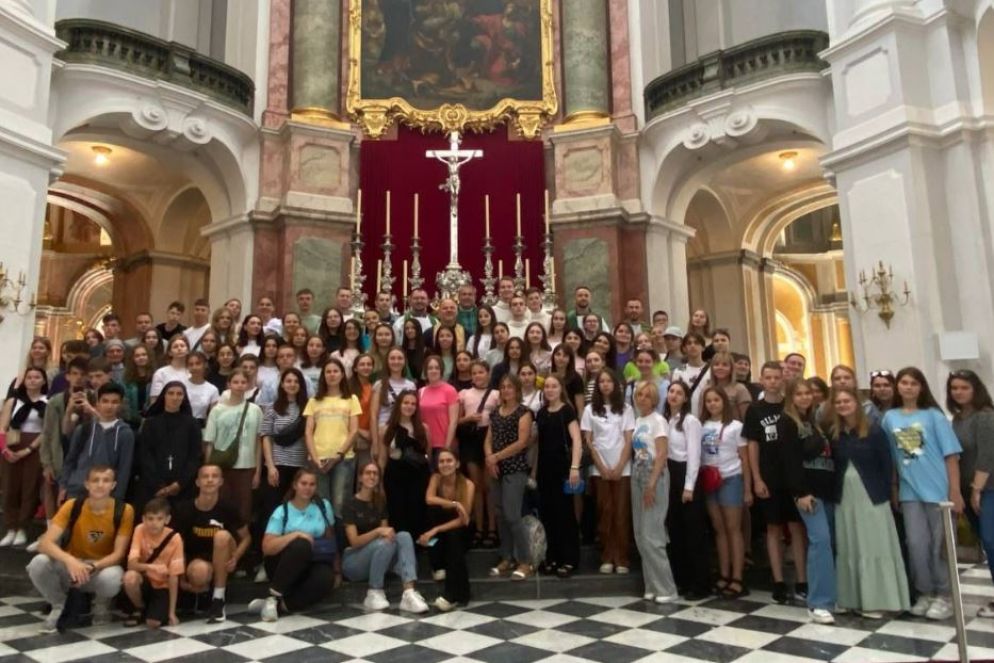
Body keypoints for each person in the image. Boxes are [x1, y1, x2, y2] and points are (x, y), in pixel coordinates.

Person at [882, 367, 963, 621]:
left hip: (938, 491)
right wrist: (894, 487)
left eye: (914, 383)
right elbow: (890, 458)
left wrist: (955, 491)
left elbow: (951, 456)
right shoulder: (890, 418)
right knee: (916, 544)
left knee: (940, 546)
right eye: (904, 382)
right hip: (909, 491)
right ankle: (925, 591)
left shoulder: (934, 416)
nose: (908, 387)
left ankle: (944, 594)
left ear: (921, 387)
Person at [831, 387, 910, 618]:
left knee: (873, 545)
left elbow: (887, 464)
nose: (843, 405)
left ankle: (878, 600)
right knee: (849, 545)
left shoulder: (874, 431)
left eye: (847, 400)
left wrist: (890, 491)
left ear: (857, 402)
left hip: (872, 494)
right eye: (838, 402)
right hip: (844, 496)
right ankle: (851, 598)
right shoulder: (836, 433)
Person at [28, 465, 135, 632]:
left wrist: (93, 567)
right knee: (38, 563)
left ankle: (101, 603)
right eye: (95, 480)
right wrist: (71, 561)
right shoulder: (72, 505)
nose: (100, 485)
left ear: (113, 485)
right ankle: (59, 604)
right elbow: (45, 543)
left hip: (99, 567)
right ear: (87, 484)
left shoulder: (124, 510)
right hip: (72, 566)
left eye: (106, 480)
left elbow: (119, 553)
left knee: (113, 578)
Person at [342, 462, 429, 613]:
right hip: (354, 561)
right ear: (360, 477)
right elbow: (354, 541)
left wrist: (383, 533)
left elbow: (387, 535)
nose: (372, 476)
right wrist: (377, 531)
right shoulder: (350, 504)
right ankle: (374, 591)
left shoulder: (380, 502)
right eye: (368, 472)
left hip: (377, 555)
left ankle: (409, 592)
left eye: (375, 473)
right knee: (383, 542)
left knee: (403, 536)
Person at [781, 379, 834, 624]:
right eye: (799, 394)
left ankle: (831, 596)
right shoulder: (787, 422)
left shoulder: (813, 421)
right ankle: (818, 601)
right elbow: (789, 461)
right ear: (791, 397)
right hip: (807, 492)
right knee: (819, 540)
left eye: (808, 394)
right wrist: (799, 492)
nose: (804, 398)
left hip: (826, 487)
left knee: (827, 541)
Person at [172, 464, 251, 623]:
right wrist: (181, 579)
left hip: (226, 557)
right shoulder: (184, 509)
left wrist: (236, 557)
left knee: (221, 536)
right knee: (199, 572)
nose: (210, 480)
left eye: (214, 476)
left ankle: (218, 599)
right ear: (197, 482)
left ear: (221, 481)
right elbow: (176, 545)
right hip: (198, 560)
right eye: (205, 476)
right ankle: (201, 593)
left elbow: (247, 538)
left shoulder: (228, 507)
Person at [254, 469, 335, 621]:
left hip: (313, 561)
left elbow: (331, 539)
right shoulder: (282, 511)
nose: (308, 488)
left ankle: (281, 606)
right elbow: (267, 547)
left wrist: (337, 570)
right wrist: (295, 535)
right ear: (295, 485)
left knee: (326, 578)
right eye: (303, 483)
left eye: (312, 484)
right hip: (282, 564)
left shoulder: (323, 507)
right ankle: (273, 597)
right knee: (301, 544)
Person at [948, 370, 994, 616]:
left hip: (988, 488)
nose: (958, 392)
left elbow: (988, 455)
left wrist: (977, 490)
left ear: (975, 389)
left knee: (991, 540)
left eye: (964, 387)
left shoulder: (985, 416)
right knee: (988, 544)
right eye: (954, 388)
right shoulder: (957, 419)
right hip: (968, 490)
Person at [699, 387, 750, 599]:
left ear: (724, 402)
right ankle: (724, 572)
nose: (712, 404)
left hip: (731, 478)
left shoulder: (736, 426)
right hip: (710, 481)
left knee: (733, 529)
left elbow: (745, 458)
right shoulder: (701, 425)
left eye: (716, 400)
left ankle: (737, 577)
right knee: (719, 529)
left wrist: (748, 488)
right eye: (708, 401)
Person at [582, 369, 634, 575]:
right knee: (605, 512)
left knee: (621, 514)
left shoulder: (626, 409)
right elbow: (589, 441)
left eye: (608, 381)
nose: (604, 384)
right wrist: (602, 467)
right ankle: (607, 556)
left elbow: (628, 439)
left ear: (616, 385)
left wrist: (620, 465)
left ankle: (622, 557)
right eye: (601, 381)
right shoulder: (589, 410)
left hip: (623, 468)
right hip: (599, 469)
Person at [630, 381, 677, 603]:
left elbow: (661, 454)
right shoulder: (638, 420)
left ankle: (667, 588)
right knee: (640, 534)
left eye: (647, 396)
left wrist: (651, 484)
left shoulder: (659, 421)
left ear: (654, 399)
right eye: (639, 395)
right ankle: (651, 584)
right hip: (637, 474)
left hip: (654, 476)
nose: (642, 399)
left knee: (652, 534)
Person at [486, 374, 535, 580]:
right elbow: (488, 438)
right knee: (500, 514)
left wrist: (496, 456)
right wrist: (489, 458)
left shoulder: (524, 412)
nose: (506, 390)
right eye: (503, 387)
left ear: (517, 389)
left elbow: (522, 442)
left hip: (515, 468)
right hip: (495, 468)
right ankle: (506, 557)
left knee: (513, 515)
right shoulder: (495, 412)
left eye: (510, 387)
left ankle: (526, 561)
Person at [663, 381, 709, 599]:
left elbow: (694, 455)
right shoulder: (666, 420)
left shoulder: (690, 421)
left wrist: (689, 487)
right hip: (670, 474)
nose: (673, 395)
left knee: (694, 533)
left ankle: (700, 583)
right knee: (676, 531)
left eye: (679, 393)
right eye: (671, 391)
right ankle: (681, 579)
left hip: (686, 476)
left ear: (685, 399)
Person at [534, 375, 581, 576]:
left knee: (564, 514)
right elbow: (537, 444)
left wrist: (575, 467)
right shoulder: (542, 413)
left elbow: (577, 440)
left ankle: (569, 559)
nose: (550, 390)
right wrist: (534, 472)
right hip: (545, 469)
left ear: (561, 389)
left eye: (554, 386)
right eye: (547, 387)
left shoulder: (567, 411)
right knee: (548, 514)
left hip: (563, 468)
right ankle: (552, 556)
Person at [203, 370, 264, 525]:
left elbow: (258, 442)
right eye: (235, 382)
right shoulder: (217, 410)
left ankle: (241, 545)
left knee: (244, 510)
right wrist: (208, 469)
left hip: (246, 466)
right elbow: (209, 442)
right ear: (229, 384)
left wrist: (258, 471)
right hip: (221, 466)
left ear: (248, 385)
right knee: (221, 507)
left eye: (243, 382)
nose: (239, 386)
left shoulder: (255, 410)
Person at [304, 357, 362, 516]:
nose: (332, 375)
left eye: (335, 371)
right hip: (319, 459)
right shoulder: (314, 401)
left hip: (343, 459)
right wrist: (315, 458)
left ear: (342, 375)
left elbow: (354, 430)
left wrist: (338, 455)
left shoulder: (351, 399)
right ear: (323, 376)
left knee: (340, 503)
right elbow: (308, 431)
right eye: (328, 372)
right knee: (322, 503)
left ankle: (341, 540)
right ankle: (325, 539)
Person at [421, 447, 475, 611]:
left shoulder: (468, 484)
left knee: (453, 539)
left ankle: (451, 594)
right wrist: (453, 504)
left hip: (460, 531)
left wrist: (436, 530)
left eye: (449, 460)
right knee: (432, 517)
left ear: (457, 464)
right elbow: (429, 499)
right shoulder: (436, 478)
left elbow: (463, 520)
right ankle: (440, 568)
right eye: (441, 461)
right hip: (441, 534)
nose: (445, 464)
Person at [60, 382, 134, 502]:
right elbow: (70, 459)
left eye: (114, 402)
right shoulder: (84, 429)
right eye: (105, 401)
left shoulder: (125, 433)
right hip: (76, 490)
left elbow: (124, 469)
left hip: (105, 494)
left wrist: (117, 498)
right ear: (97, 403)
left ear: (120, 405)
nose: (109, 406)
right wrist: (63, 486)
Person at [0, 366, 48, 547]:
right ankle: (10, 527)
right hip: (12, 445)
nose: (33, 380)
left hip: (34, 448)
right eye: (29, 377)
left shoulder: (47, 402)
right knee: (9, 487)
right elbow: (2, 427)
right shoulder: (13, 402)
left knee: (29, 488)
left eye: (37, 377)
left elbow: (46, 430)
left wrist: (28, 449)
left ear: (43, 381)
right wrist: (5, 450)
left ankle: (22, 527)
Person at [123, 497, 184, 628]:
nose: (154, 523)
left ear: (167, 520)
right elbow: (131, 565)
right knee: (129, 577)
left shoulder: (175, 538)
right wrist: (151, 567)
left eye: (159, 519)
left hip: (162, 586)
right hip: (144, 580)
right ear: (144, 519)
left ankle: (152, 611)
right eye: (150, 519)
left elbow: (174, 577)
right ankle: (139, 607)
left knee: (153, 623)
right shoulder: (139, 529)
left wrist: (171, 613)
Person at [138, 382, 202, 508]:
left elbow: (195, 456)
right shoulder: (150, 424)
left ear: (184, 398)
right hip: (154, 487)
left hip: (184, 488)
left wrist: (179, 484)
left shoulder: (192, 424)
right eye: (171, 393)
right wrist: (159, 485)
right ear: (164, 396)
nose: (175, 397)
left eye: (179, 394)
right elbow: (145, 455)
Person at [456, 360, 498, 546]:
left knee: (489, 488)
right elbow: (456, 421)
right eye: (474, 373)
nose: (477, 376)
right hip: (471, 441)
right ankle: (479, 528)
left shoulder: (496, 395)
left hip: (489, 439)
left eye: (481, 372)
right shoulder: (464, 394)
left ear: (488, 373)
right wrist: (468, 418)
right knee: (476, 486)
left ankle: (492, 529)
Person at [260, 368, 309, 521]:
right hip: (278, 466)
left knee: (297, 508)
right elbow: (266, 436)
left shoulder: (308, 408)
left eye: (296, 381)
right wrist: (270, 466)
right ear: (282, 384)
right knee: (272, 508)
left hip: (300, 467)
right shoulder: (272, 408)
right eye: (288, 381)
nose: (292, 384)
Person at [381, 391, 431, 539]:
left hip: (418, 478)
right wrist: (380, 484)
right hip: (394, 477)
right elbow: (382, 458)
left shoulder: (423, 428)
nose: (409, 406)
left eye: (413, 404)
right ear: (398, 405)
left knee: (416, 512)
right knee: (397, 513)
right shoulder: (386, 429)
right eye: (406, 403)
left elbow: (428, 456)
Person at [419, 355, 459, 463]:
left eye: (436, 368)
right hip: (425, 444)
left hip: (443, 444)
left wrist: (447, 446)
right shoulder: (421, 391)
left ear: (441, 370)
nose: (433, 371)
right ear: (425, 371)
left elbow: (453, 422)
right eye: (430, 368)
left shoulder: (450, 391)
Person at [709, 351, 752, 420]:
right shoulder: (706, 389)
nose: (720, 367)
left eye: (725, 365)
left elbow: (748, 418)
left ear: (731, 368)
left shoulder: (740, 389)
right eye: (716, 364)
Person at [149, 335, 191, 402]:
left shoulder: (193, 372)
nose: (179, 348)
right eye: (175, 347)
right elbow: (154, 400)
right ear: (170, 353)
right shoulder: (160, 373)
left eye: (182, 346)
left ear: (188, 350)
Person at [185, 352, 220, 425]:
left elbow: (212, 416)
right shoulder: (181, 385)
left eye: (198, 363)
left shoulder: (212, 389)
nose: (194, 367)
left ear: (205, 365)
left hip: (200, 426)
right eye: (191, 364)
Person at [401, 318, 427, 382]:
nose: (410, 330)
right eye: (407, 328)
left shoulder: (426, 351)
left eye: (413, 328)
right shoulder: (401, 350)